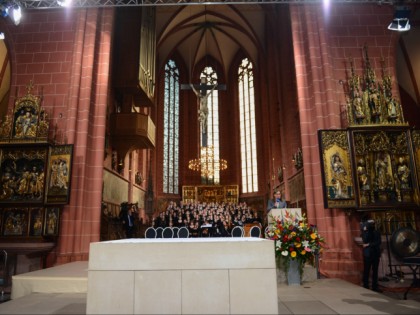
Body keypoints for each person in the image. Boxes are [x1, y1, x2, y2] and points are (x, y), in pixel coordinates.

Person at [360, 215, 382, 292]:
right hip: (368, 254)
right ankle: (366, 286)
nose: (371, 225)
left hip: (375, 253)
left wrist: (369, 244)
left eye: (372, 223)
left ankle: (375, 286)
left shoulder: (377, 231)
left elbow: (378, 242)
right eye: (369, 223)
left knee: (375, 271)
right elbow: (365, 240)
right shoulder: (364, 232)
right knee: (367, 270)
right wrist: (365, 231)